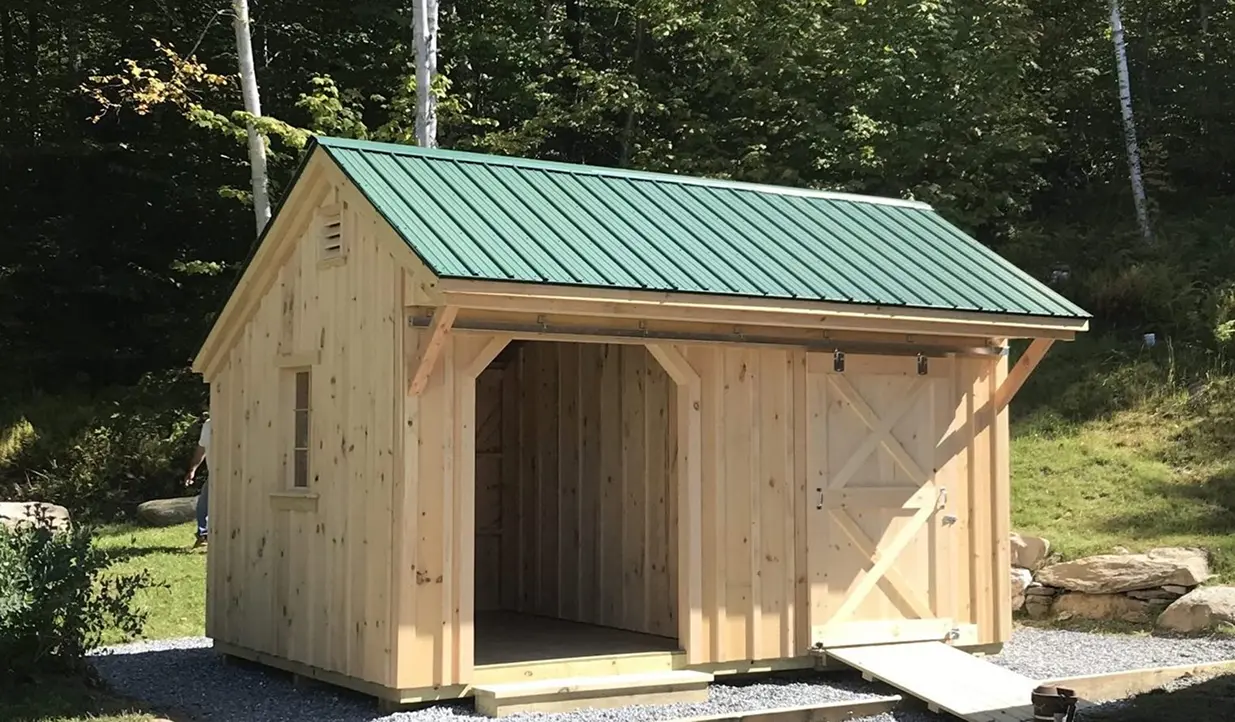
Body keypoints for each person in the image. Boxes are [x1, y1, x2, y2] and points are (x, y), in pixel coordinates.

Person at [184, 416, 211, 547]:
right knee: (203, 504)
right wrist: (192, 470)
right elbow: (202, 449)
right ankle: (203, 535)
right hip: (215, 474)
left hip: (234, 474)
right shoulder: (209, 424)